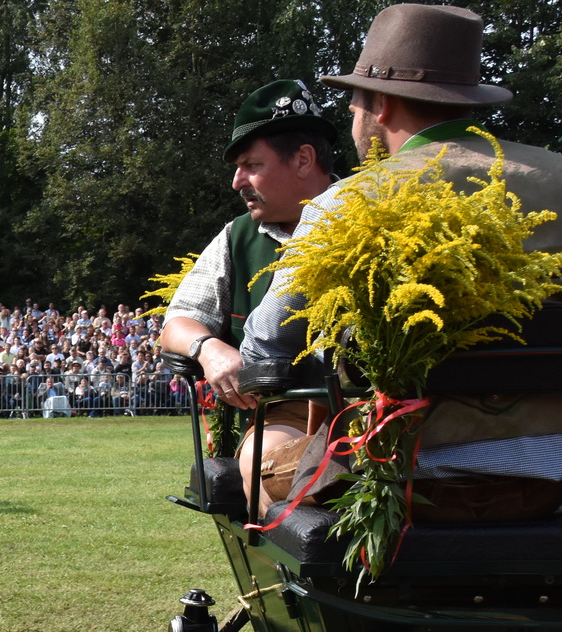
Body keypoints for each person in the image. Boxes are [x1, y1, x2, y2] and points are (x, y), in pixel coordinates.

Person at [241, 4, 562, 490]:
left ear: (381, 105)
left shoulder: (346, 203)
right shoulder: (556, 177)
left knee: (255, 476)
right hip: (555, 456)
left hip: (401, 464)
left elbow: (264, 346)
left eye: (354, 105)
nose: (353, 120)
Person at [160, 79, 337, 502]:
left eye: (251, 165)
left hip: (382, 406)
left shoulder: (381, 212)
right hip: (285, 412)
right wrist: (209, 349)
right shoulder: (238, 238)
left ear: (303, 159)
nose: (237, 181)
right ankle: (296, 570)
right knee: (268, 460)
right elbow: (175, 324)